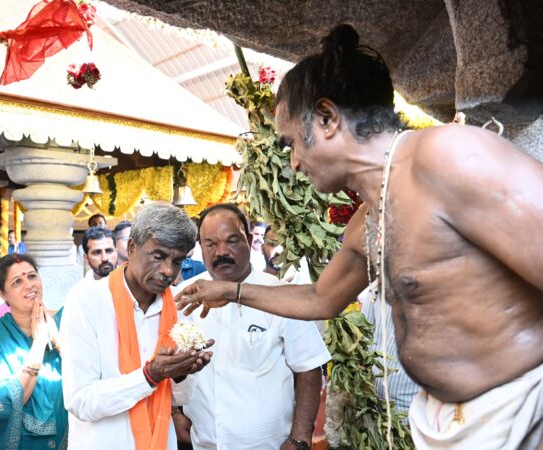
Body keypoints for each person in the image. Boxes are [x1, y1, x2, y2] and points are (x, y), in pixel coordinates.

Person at [176, 24, 543, 449]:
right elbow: (321, 299)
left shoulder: (446, 156)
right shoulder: (367, 218)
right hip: (445, 423)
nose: (293, 163)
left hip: (517, 414)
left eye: (291, 143)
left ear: (327, 118)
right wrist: (232, 292)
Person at [61, 202, 214, 450]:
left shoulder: (177, 306)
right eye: (158, 256)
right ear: (132, 248)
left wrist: (182, 372)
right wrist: (150, 375)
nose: (167, 271)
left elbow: (181, 398)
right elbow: (81, 401)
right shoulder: (86, 301)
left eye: (177, 261)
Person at [175, 204, 329, 450]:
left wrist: (300, 438)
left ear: (248, 240)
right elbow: (168, 360)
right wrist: (174, 411)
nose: (221, 252)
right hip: (203, 443)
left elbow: (308, 368)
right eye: (210, 244)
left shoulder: (280, 296)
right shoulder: (184, 297)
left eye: (231, 241)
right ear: (200, 247)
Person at [0, 253, 67, 450]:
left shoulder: (67, 320)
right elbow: (3, 403)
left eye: (32, 276)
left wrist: (58, 343)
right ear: (2, 294)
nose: (29, 285)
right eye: (17, 282)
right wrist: (39, 344)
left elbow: (90, 376)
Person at [358, 284, 419, 416]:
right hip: (372, 401)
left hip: (411, 408)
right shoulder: (377, 287)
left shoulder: (435, 296)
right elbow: (363, 336)